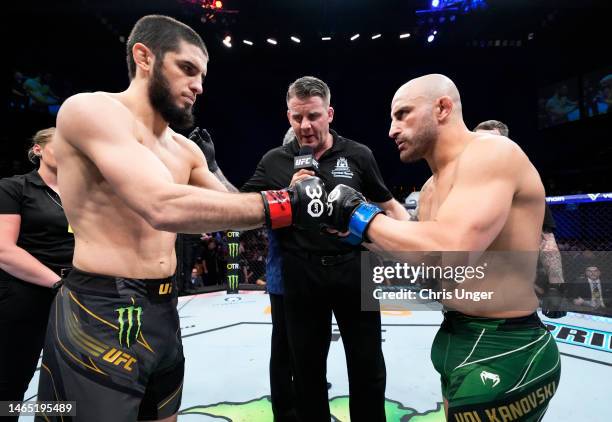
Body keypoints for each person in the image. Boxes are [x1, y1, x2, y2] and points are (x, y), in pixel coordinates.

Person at [35, 15, 327, 422]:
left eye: (203, 75)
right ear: (144, 57)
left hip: (164, 310)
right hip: (98, 310)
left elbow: (234, 211)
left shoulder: (185, 151)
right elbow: (162, 206)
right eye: (187, 69)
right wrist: (285, 202)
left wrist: (319, 203)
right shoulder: (90, 110)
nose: (199, 86)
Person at [324, 74, 561, 421]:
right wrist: (356, 234)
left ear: (442, 108)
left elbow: (454, 249)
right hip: (455, 334)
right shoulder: (430, 189)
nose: (392, 129)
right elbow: (428, 263)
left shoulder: (491, 152)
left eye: (403, 114)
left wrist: (360, 216)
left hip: (506, 346)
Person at [242, 76, 410, 422]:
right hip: (300, 274)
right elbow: (240, 211)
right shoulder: (275, 160)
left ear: (329, 113)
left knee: (368, 365)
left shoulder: (358, 154)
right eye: (297, 117)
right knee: (305, 372)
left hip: (355, 267)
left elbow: (392, 208)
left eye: (314, 116)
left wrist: (392, 238)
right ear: (288, 116)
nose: (305, 126)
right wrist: (284, 196)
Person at [0, 128, 74, 420]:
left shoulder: (81, 192)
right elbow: (4, 250)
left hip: (76, 292)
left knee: (72, 379)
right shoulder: (14, 187)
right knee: (11, 380)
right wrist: (58, 283)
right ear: (38, 149)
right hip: (26, 291)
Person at [474, 119, 567, 318]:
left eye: (493, 142)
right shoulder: (459, 182)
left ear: (508, 146)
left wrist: (556, 288)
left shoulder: (524, 184)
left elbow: (545, 240)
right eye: (479, 141)